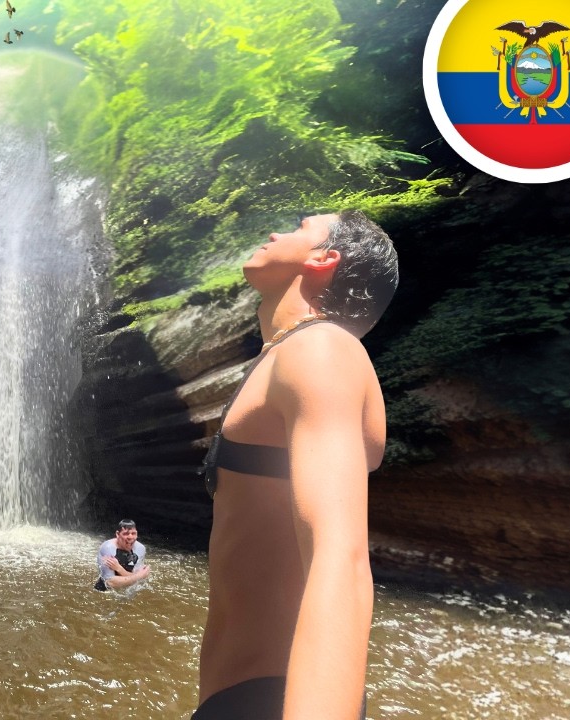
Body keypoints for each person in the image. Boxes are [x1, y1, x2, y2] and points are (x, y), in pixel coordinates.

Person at [194, 210, 397, 720]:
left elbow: (341, 556)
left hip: (276, 700)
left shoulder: (322, 350)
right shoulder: (290, 355)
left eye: (299, 227)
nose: (275, 232)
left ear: (323, 259)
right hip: (246, 698)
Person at [94, 519, 149, 592]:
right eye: (126, 534)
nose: (130, 537)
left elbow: (135, 575)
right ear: (117, 534)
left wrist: (119, 568)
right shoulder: (107, 548)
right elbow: (109, 582)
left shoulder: (140, 548)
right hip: (105, 592)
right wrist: (139, 576)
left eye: (133, 533)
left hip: (129, 590)